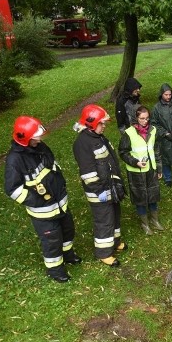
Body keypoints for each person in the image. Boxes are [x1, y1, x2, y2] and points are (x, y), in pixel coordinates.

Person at [4, 116, 82, 283]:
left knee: (67, 231)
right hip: (43, 211)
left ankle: (68, 255)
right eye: (36, 136)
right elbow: (12, 189)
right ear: (25, 138)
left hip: (59, 203)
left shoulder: (39, 147)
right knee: (52, 240)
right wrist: (36, 200)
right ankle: (55, 270)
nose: (40, 138)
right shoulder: (15, 160)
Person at [72, 104, 127, 267]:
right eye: (101, 123)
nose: (104, 126)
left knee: (115, 215)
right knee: (104, 220)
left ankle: (115, 242)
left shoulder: (98, 137)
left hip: (110, 186)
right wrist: (99, 190)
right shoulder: (82, 143)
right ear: (91, 123)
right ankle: (104, 253)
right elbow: (88, 172)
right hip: (99, 190)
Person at [119, 105, 164, 234]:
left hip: (151, 169)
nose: (145, 121)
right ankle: (145, 224)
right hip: (136, 172)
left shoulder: (153, 130)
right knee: (140, 198)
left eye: (147, 118)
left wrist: (159, 168)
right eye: (142, 118)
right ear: (136, 118)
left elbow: (156, 150)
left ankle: (155, 221)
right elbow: (123, 152)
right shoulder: (128, 133)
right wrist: (135, 162)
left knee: (153, 195)